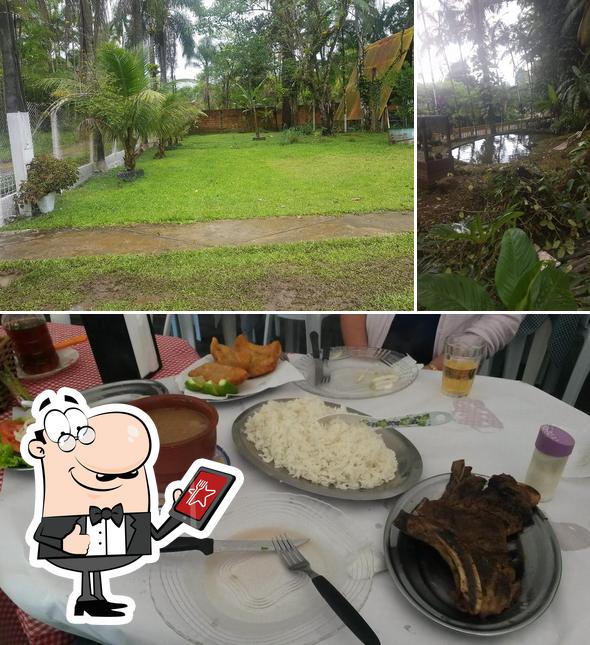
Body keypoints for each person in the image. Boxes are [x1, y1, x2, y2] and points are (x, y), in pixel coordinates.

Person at [340, 314, 524, 369]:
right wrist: (361, 361)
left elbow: (503, 319)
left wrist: (433, 370)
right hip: (370, 362)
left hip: (441, 373)